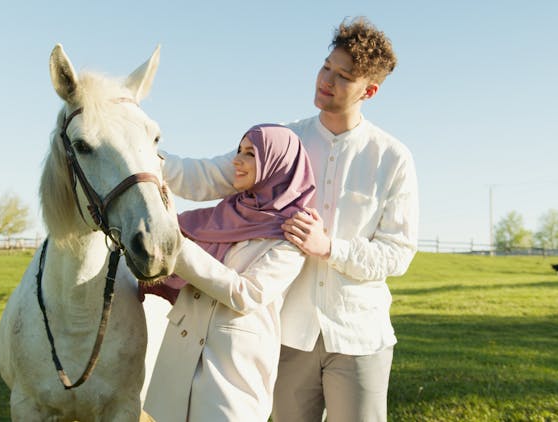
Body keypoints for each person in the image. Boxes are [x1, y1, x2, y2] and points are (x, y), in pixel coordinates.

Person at [158, 17, 419, 422]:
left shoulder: (392, 158)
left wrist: (330, 247)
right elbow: (210, 176)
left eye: (344, 76)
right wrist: (143, 155)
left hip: (359, 335)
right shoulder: (282, 143)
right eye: (326, 67)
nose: (326, 80)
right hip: (286, 333)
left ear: (369, 90)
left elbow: (397, 252)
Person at [142, 124, 316, 422]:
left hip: (230, 371)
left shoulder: (291, 233)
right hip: (179, 357)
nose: (236, 160)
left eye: (250, 154)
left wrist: (179, 247)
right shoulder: (220, 215)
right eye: (238, 151)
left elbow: (247, 294)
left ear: (277, 164)